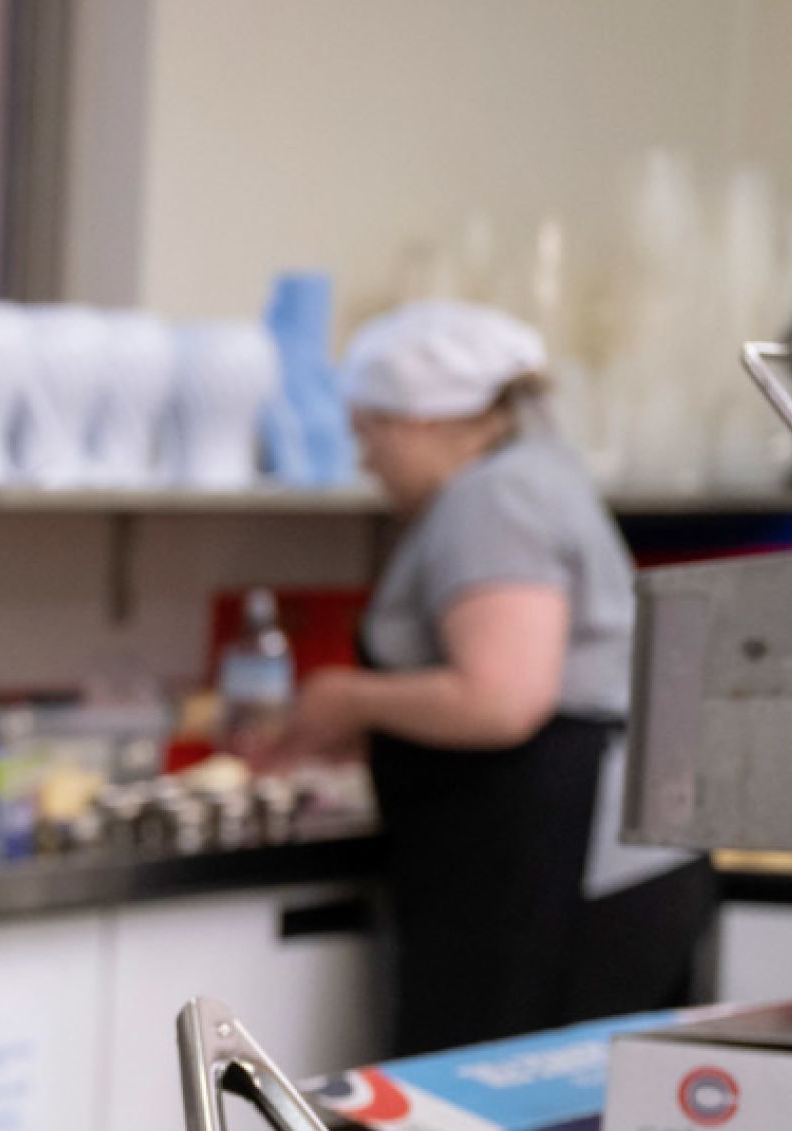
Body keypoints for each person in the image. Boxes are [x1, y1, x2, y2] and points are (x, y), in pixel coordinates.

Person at [264, 299, 714, 1052]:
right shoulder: (536, 478)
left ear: (426, 422)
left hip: (552, 869)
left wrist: (351, 699)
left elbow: (503, 699)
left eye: (369, 432)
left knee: (495, 1118)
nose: (365, 457)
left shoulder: (493, 497)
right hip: (593, 863)